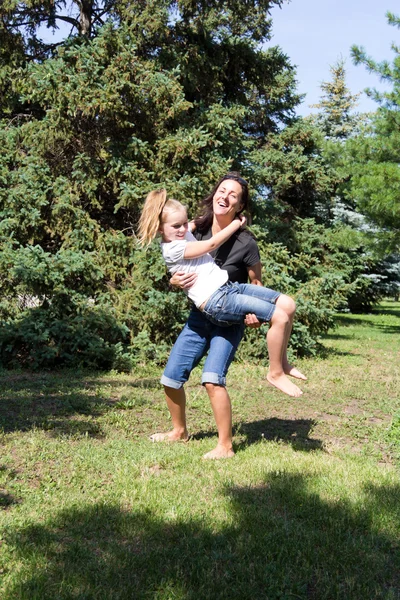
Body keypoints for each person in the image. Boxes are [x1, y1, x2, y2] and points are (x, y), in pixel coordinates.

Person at [138, 173, 306, 459]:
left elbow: (255, 285)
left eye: (234, 195)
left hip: (228, 312)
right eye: (222, 190)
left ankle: (228, 441)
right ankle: (179, 432)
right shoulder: (192, 228)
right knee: (170, 378)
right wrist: (172, 281)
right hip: (201, 315)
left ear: (240, 206)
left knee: (214, 378)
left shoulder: (246, 243)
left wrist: (254, 315)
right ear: (214, 194)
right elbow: (177, 258)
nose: (225, 197)